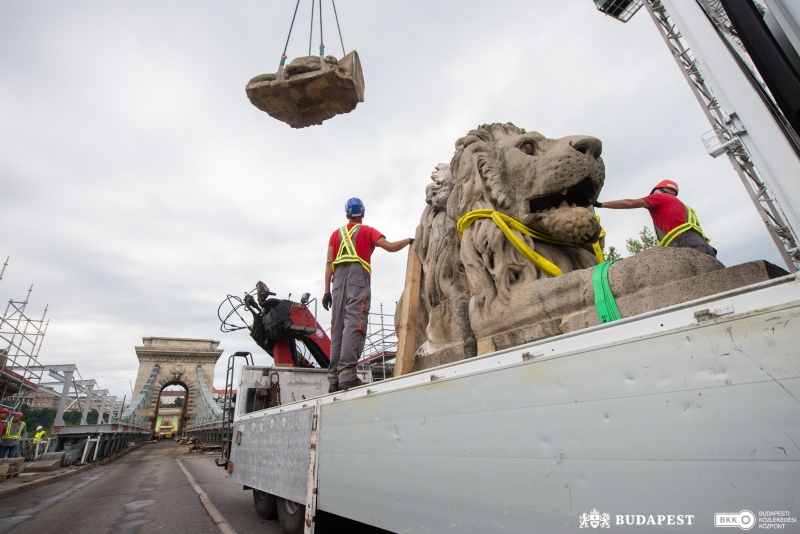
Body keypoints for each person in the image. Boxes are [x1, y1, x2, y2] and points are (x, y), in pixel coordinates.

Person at [323, 197, 413, 392]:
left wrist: (326, 292)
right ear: (362, 214)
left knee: (338, 326)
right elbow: (389, 247)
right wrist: (409, 241)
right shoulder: (368, 231)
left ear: (346, 213)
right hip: (357, 280)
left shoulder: (334, 235)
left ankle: (334, 378)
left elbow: (329, 263)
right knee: (354, 323)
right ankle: (347, 373)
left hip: (337, 283)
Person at [594, 179, 716, 257]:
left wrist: (599, 204)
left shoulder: (660, 198)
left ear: (657, 191)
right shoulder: (685, 207)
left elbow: (629, 203)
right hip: (702, 245)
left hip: (684, 244)